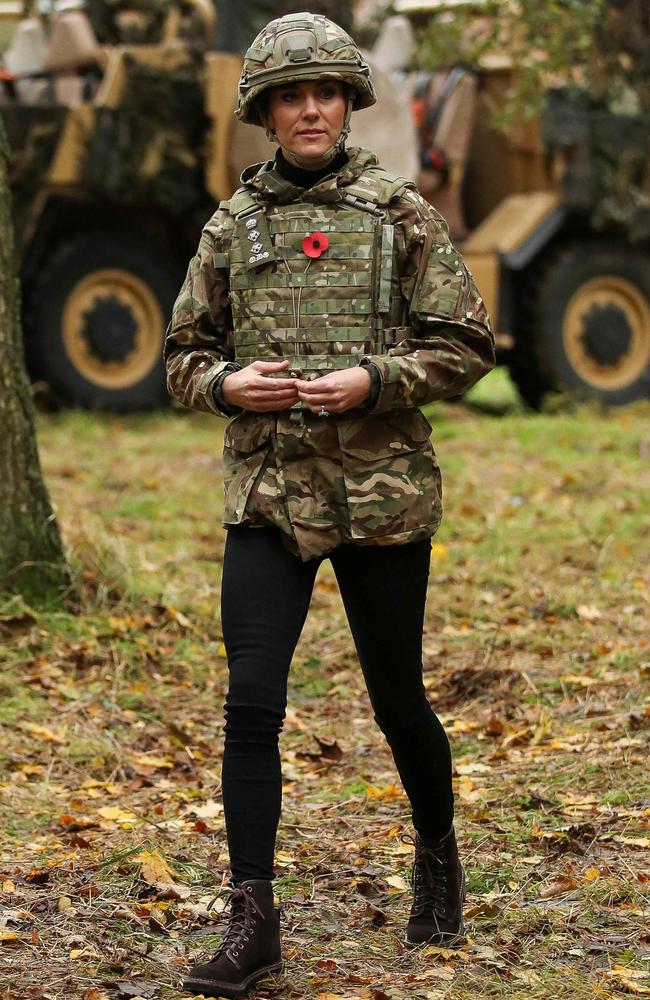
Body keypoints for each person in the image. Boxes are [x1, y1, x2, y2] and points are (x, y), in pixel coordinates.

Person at [164, 12, 495, 998]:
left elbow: (466, 342)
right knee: (250, 703)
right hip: (270, 490)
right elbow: (180, 356)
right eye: (289, 95)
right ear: (265, 110)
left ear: (345, 104)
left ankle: (436, 854)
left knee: (398, 700)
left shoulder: (397, 212)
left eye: (323, 94)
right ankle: (251, 917)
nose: (308, 109)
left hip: (379, 495)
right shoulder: (231, 224)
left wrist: (375, 381)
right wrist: (229, 387)